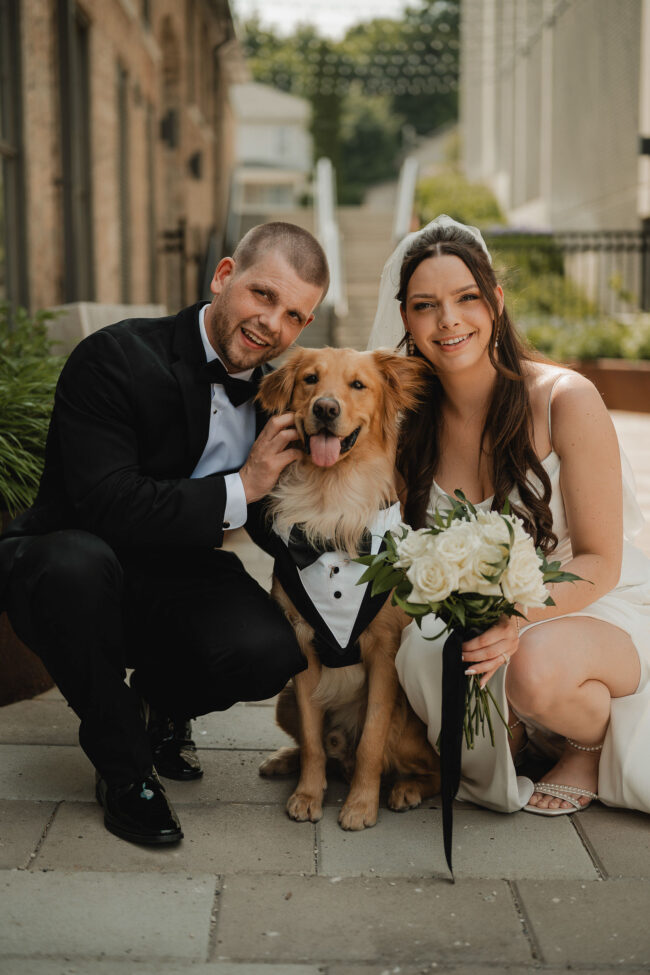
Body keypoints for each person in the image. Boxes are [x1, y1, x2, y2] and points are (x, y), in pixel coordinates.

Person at [0, 221, 329, 845]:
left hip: (173, 574)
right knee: (75, 564)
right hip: (69, 563)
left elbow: (281, 520)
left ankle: (159, 703)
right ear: (223, 276)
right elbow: (106, 504)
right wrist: (244, 485)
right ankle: (125, 769)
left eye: (293, 315)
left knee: (269, 653)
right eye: (263, 295)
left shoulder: (271, 397)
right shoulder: (114, 357)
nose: (271, 324)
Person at [367, 214, 650, 816]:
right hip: (483, 615)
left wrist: (516, 618)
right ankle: (518, 738)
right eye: (425, 305)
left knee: (534, 666)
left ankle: (585, 745)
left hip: (595, 602)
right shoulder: (405, 425)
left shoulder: (564, 398)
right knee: (421, 647)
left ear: (494, 300)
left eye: (466, 297)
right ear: (406, 319)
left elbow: (600, 560)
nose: (449, 320)